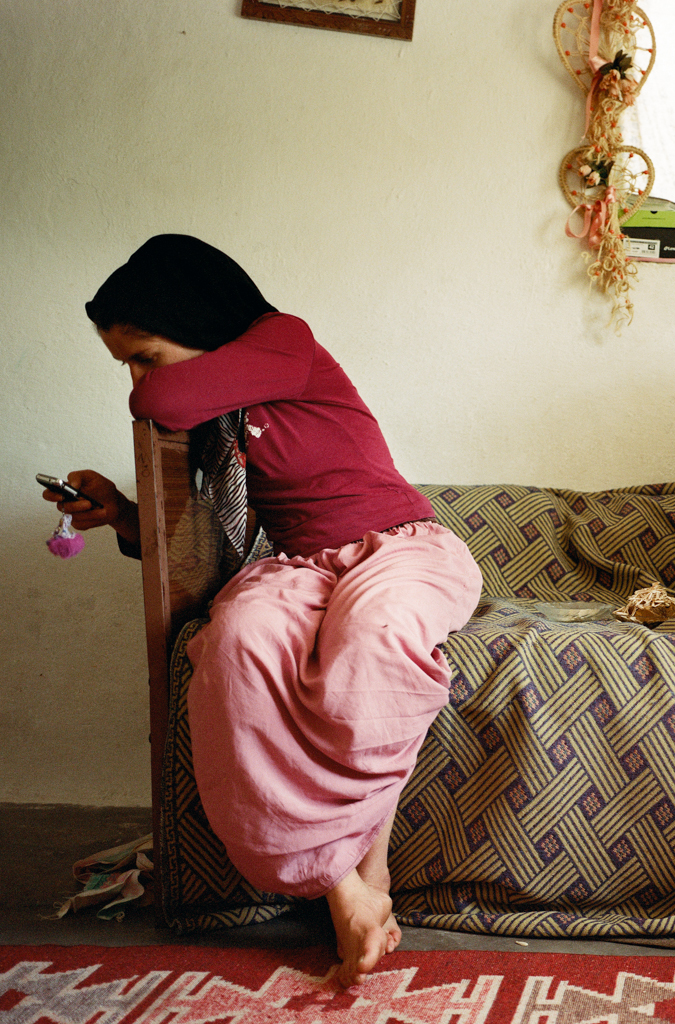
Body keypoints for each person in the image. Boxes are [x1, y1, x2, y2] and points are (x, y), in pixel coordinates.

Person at [43, 235, 483, 988]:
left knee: (372, 637)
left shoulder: (284, 341)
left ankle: (365, 865)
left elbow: (159, 399)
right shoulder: (224, 406)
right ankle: (345, 884)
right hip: (300, 564)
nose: (136, 377)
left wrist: (146, 384)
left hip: (397, 545)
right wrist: (121, 513)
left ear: (198, 320)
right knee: (236, 640)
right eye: (125, 362)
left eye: (144, 352)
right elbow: (212, 543)